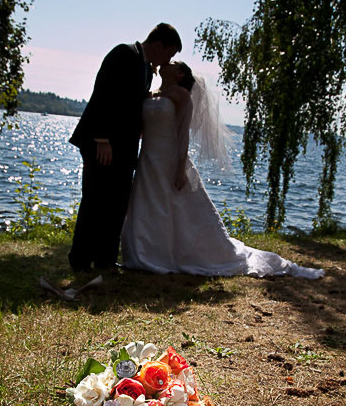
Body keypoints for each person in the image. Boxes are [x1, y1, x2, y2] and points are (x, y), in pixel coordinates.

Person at [121, 62, 324, 279]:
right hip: (148, 159)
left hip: (169, 159)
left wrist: (180, 168)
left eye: (172, 63)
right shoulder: (151, 92)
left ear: (180, 74)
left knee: (174, 207)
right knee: (147, 204)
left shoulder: (180, 95)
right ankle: (146, 253)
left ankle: (168, 254)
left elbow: (182, 135)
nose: (166, 63)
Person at [68, 23, 182, 272]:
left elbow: (131, 107)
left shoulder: (147, 71)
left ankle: (105, 260)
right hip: (103, 143)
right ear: (159, 45)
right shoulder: (123, 54)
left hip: (125, 148)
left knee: (117, 203)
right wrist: (102, 139)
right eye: (170, 53)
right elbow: (104, 95)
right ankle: (80, 260)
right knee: (95, 200)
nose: (168, 60)